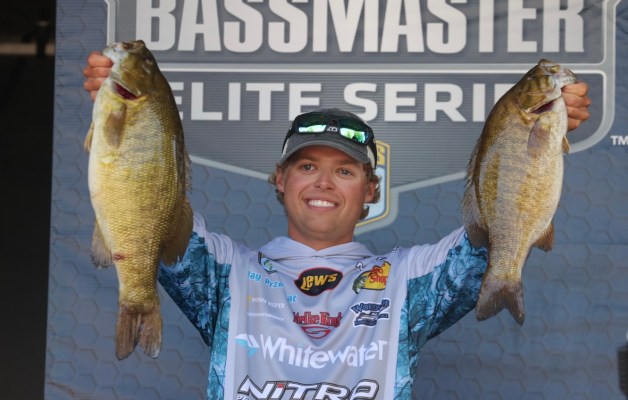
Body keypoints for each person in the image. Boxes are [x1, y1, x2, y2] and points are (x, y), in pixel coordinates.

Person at [83, 52, 591, 399]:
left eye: (345, 171)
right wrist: (128, 117)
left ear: (371, 190)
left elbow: (491, 240)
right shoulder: (224, 272)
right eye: (307, 166)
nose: (323, 182)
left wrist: (537, 138)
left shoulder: (407, 280)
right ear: (280, 179)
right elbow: (148, 209)